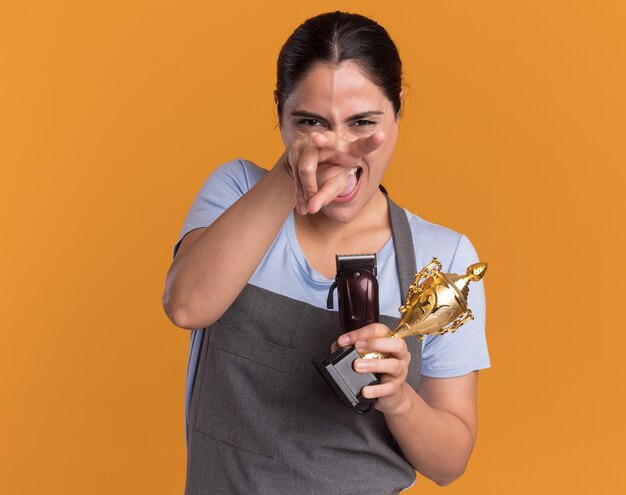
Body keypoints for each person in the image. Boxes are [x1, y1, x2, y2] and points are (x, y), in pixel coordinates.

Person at [163, 11, 490, 494]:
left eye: (363, 123)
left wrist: (398, 397)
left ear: (397, 110)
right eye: (311, 123)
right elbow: (187, 305)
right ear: (278, 110)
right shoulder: (236, 192)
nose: (337, 148)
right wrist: (285, 176)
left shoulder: (443, 260)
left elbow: (449, 462)